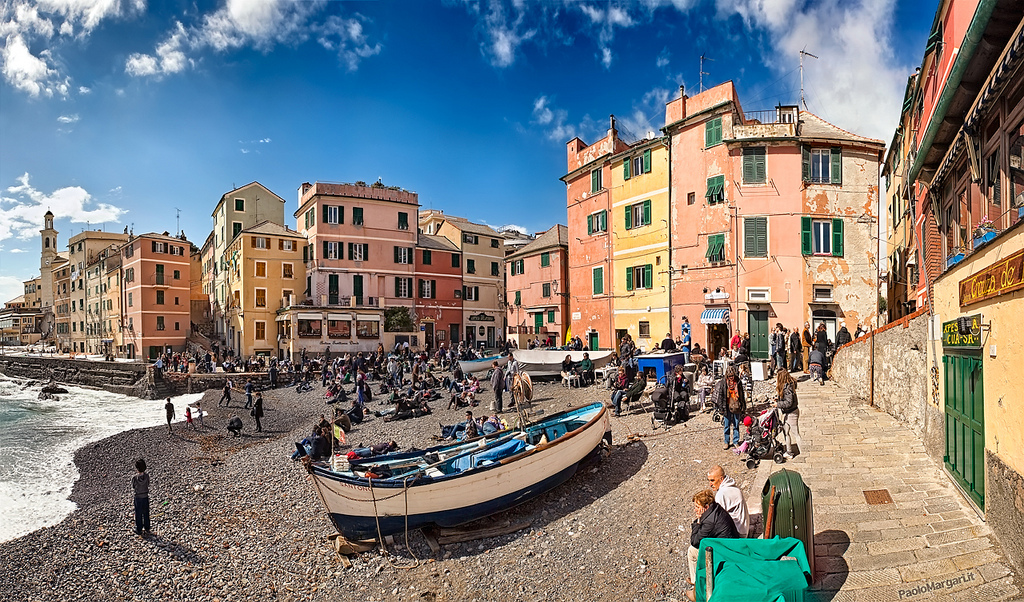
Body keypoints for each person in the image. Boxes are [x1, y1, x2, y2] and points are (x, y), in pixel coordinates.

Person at [685, 488, 739, 599]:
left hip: (725, 553)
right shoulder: (716, 509)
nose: (695, 510)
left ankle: (697, 589)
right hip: (731, 545)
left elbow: (695, 541)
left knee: (692, 551)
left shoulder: (709, 521)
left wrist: (698, 522)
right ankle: (695, 579)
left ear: (706, 507)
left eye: (697, 507)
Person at [707, 465, 750, 537]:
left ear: (721, 479)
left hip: (738, 533)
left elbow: (717, 519)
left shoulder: (721, 494)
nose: (710, 484)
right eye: (709, 480)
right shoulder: (733, 487)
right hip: (744, 528)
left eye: (712, 480)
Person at [713, 366, 746, 450]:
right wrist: (721, 408)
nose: (731, 378)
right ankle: (726, 441)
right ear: (727, 376)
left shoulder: (738, 381)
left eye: (732, 376)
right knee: (726, 425)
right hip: (726, 406)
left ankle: (735, 441)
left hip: (736, 405)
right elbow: (720, 395)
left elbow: (741, 395)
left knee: (736, 424)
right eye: (730, 376)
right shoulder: (723, 382)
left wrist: (743, 406)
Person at [775, 369, 802, 458]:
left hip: (792, 413)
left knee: (796, 433)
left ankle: (803, 453)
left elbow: (788, 403)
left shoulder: (787, 388)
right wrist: (778, 400)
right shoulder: (789, 385)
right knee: (786, 432)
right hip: (789, 412)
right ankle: (789, 451)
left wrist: (778, 404)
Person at [131, 458, 151, 536]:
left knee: (138, 513)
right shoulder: (147, 476)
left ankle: (139, 529)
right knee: (146, 512)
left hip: (138, 497)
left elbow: (133, 486)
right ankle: (147, 527)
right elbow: (148, 484)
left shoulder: (134, 478)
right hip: (145, 496)